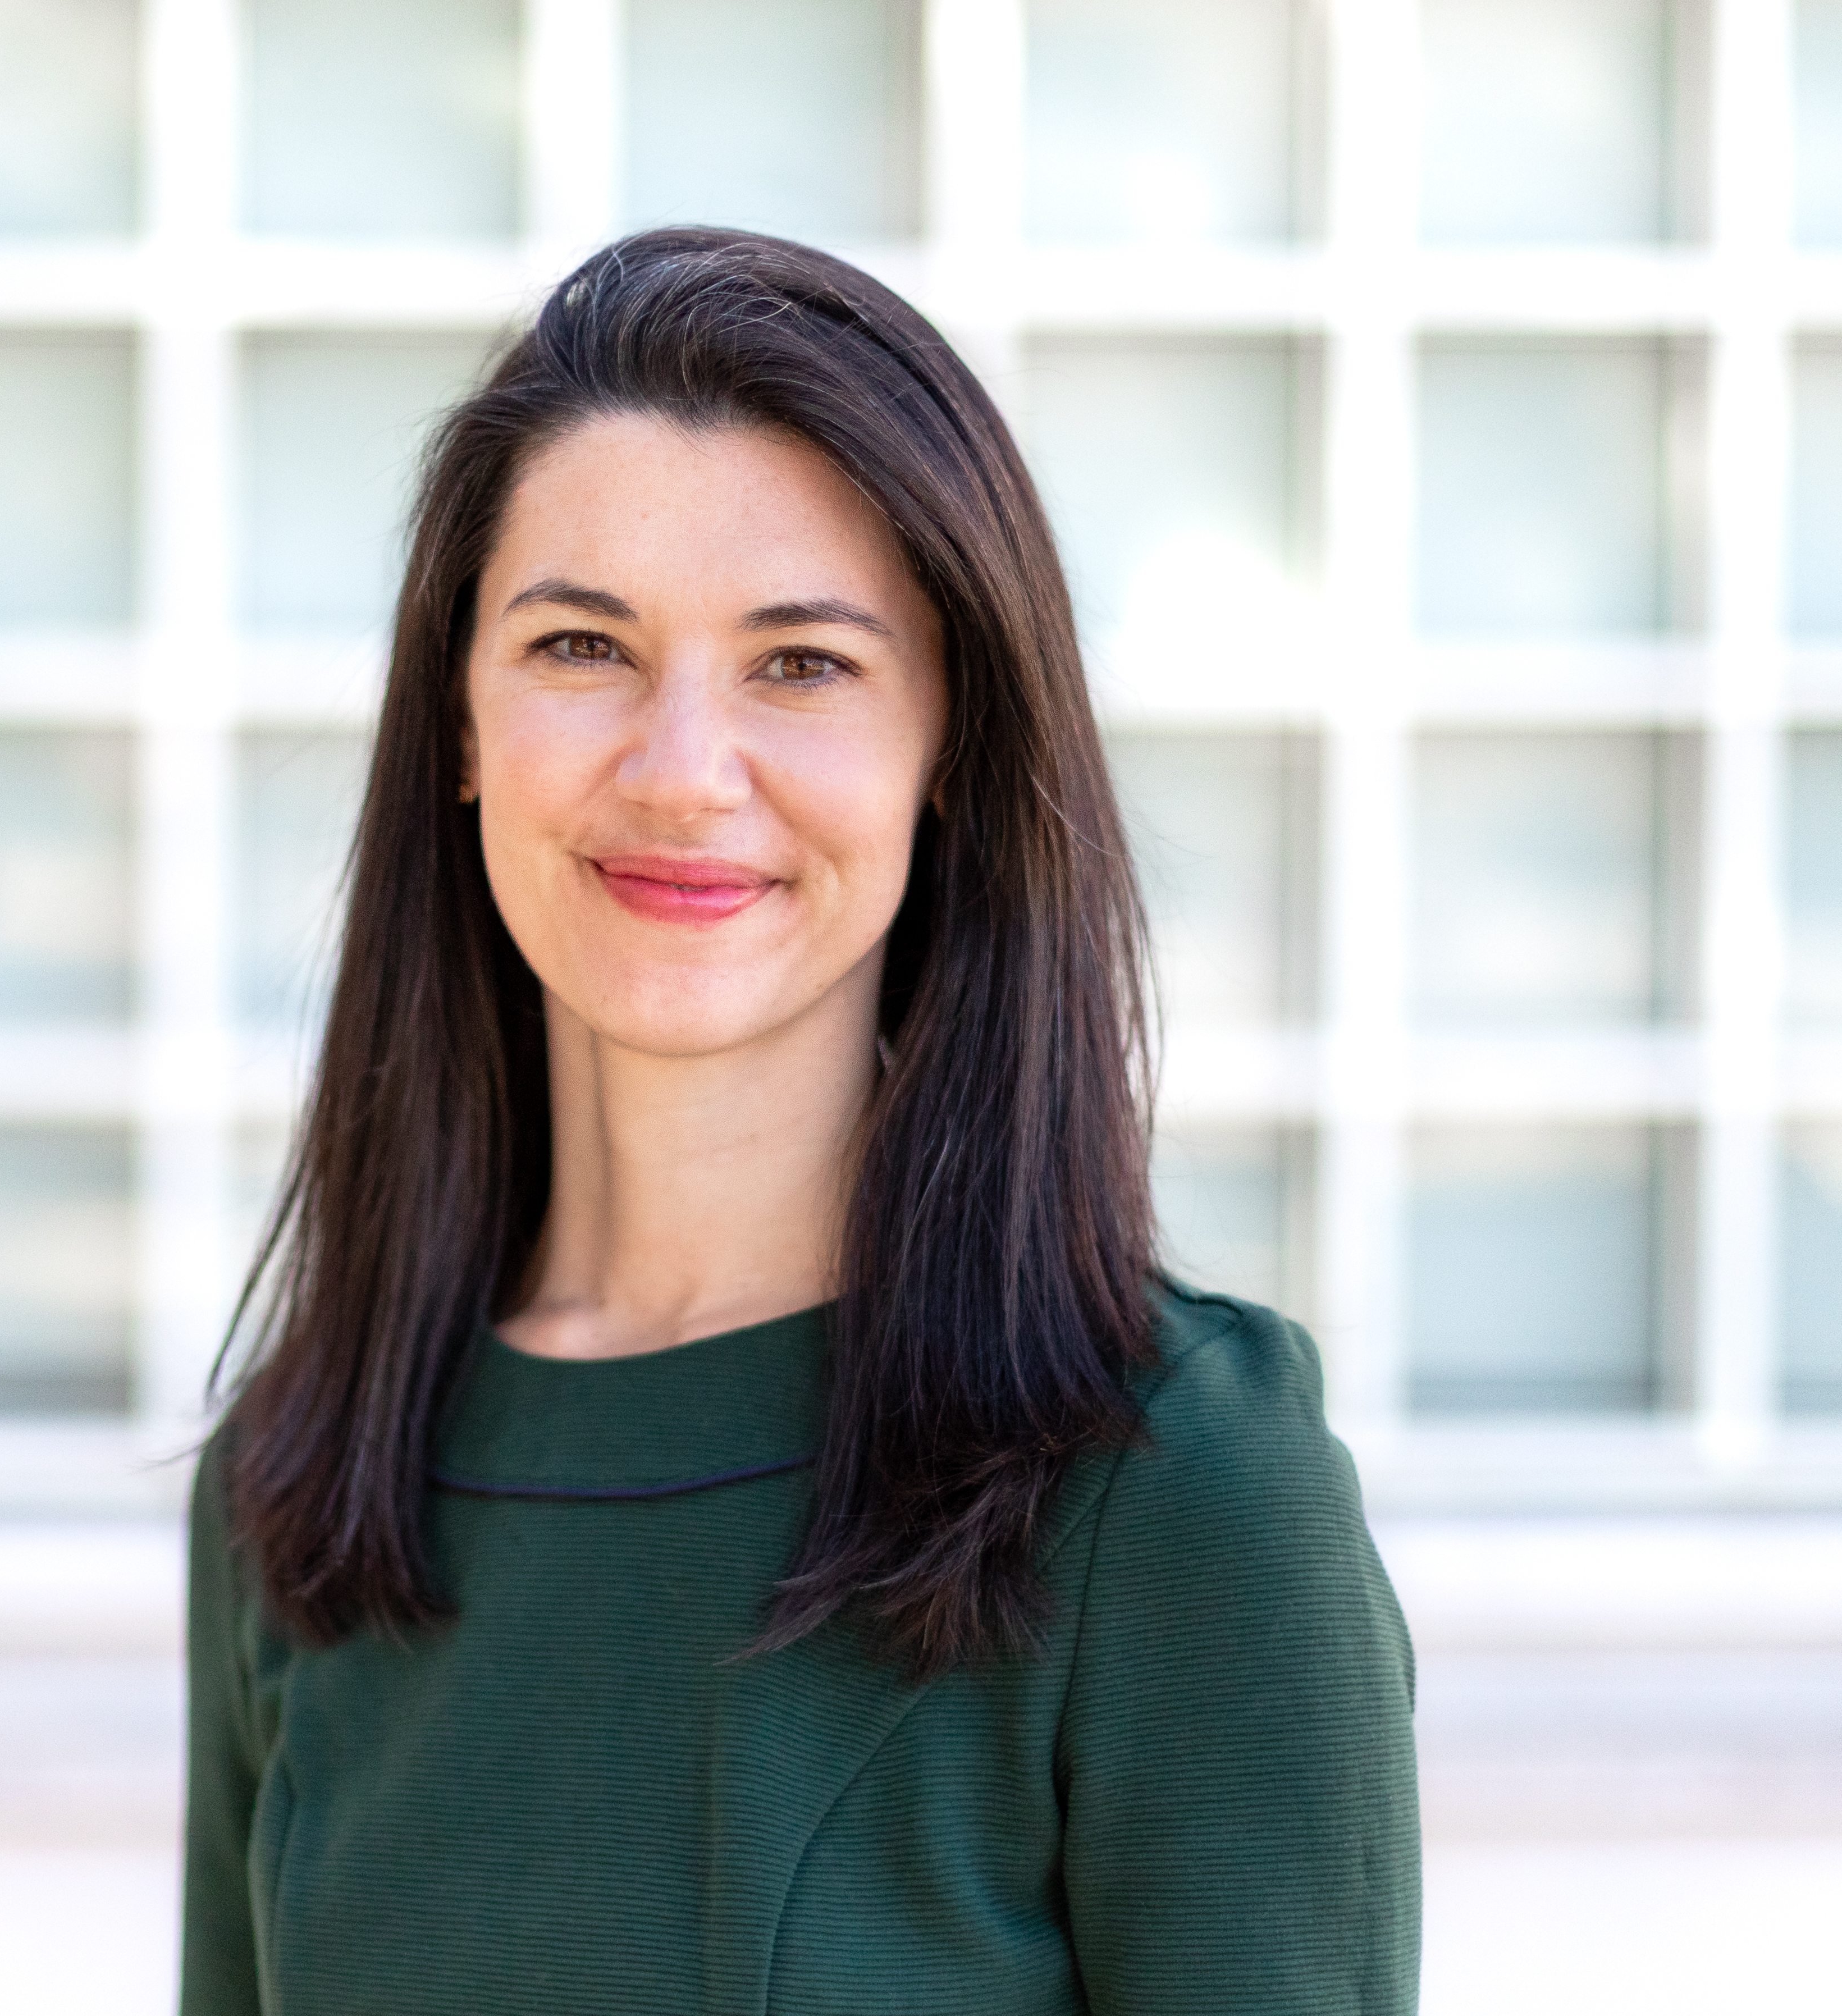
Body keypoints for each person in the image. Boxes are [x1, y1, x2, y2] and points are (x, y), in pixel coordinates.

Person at [181, 227, 1419, 2016]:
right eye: (582, 644)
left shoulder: (1178, 1496)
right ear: (459, 720)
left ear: (950, 746)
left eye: (803, 665)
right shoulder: (300, 1487)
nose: (683, 770)